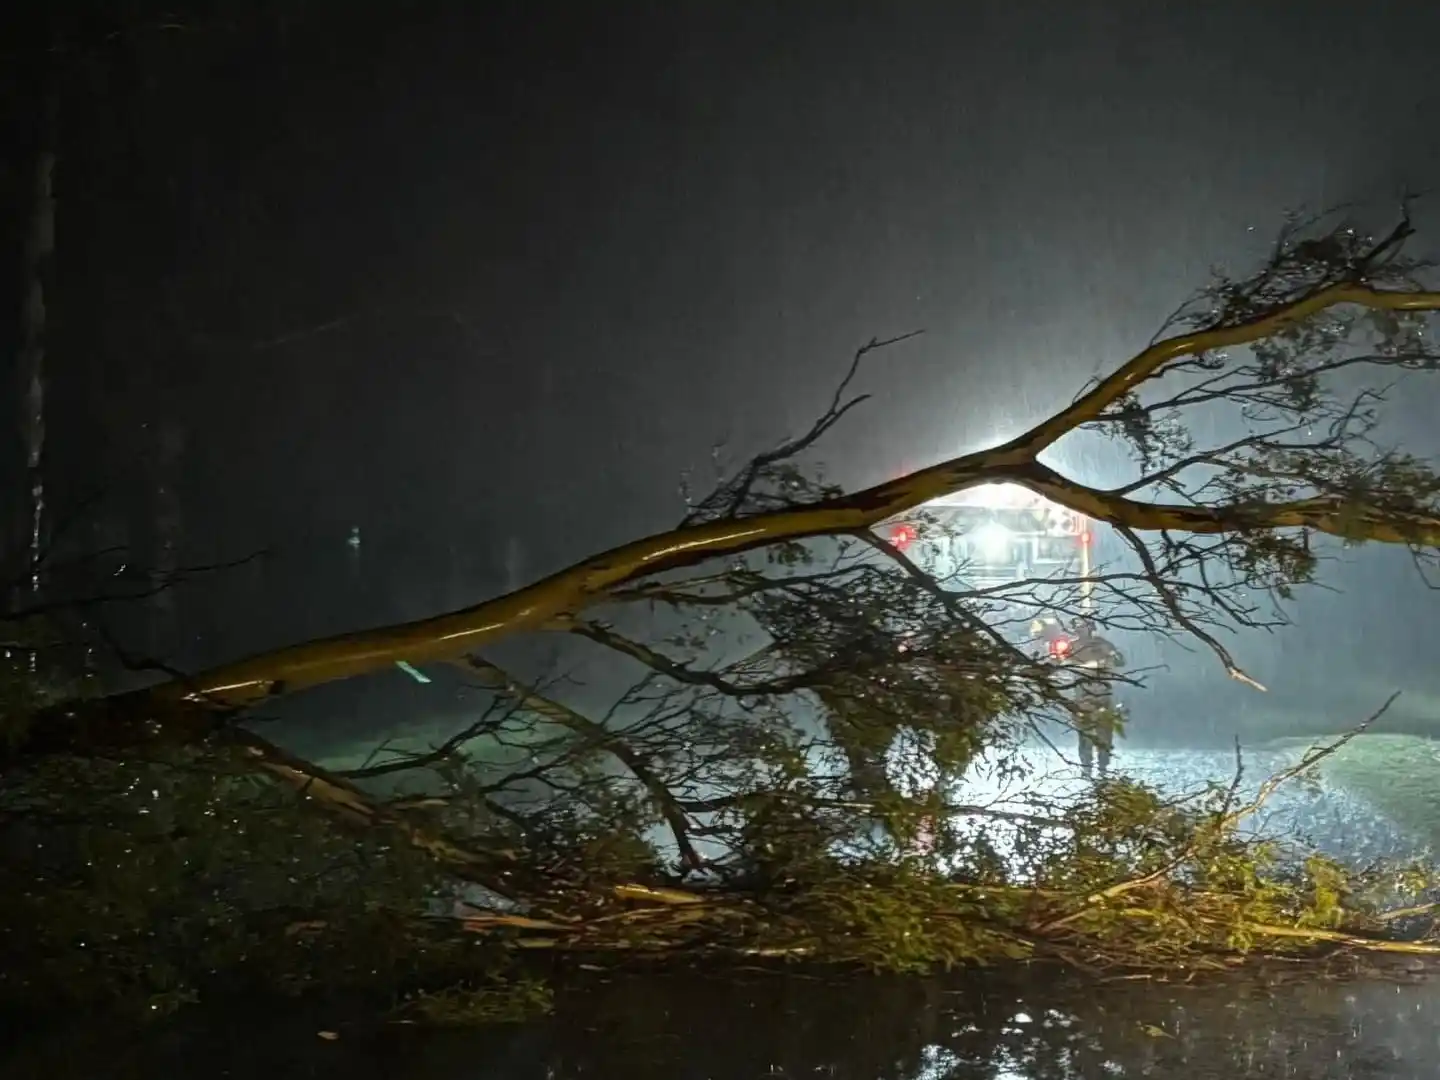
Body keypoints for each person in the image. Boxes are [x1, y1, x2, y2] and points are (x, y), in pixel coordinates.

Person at [1030, 616, 1127, 779]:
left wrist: (1110, 656)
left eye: (1083, 626)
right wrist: (1044, 670)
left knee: (1105, 735)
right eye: (1076, 626)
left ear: (1090, 627)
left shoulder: (1102, 644)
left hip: (1104, 695)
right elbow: (1058, 663)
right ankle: (1086, 771)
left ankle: (1103, 771)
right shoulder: (1071, 646)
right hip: (1083, 696)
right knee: (1085, 735)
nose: (1079, 629)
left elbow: (1119, 661)